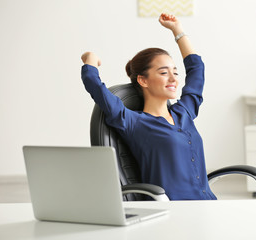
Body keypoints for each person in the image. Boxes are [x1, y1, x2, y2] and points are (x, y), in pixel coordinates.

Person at [81, 13, 216, 200]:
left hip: (208, 205)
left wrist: (177, 30)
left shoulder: (184, 112)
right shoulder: (133, 122)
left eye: (175, 73)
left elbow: (196, 69)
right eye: (163, 73)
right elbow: (93, 83)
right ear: (143, 80)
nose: (173, 79)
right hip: (174, 214)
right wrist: (90, 58)